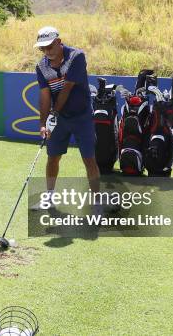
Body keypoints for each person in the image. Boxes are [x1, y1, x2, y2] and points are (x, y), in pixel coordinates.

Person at [33, 26, 101, 209]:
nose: (46, 52)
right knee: (52, 157)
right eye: (42, 48)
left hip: (82, 116)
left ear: (58, 42)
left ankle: (97, 203)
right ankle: (49, 198)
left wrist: (53, 114)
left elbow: (67, 87)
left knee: (89, 159)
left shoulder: (76, 57)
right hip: (59, 119)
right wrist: (43, 123)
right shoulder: (41, 66)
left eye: (49, 47)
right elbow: (45, 95)